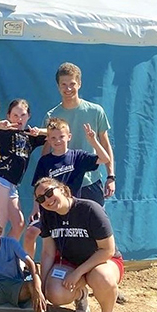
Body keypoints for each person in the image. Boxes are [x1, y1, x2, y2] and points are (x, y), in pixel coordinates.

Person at [35, 178, 124, 312]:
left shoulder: (89, 209)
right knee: (54, 293)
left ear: (62, 189)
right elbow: (48, 252)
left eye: (49, 193)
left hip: (102, 261)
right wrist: (42, 284)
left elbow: (108, 250)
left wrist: (78, 273)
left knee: (102, 278)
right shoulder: (47, 216)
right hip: (70, 263)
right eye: (41, 199)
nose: (47, 200)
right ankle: (81, 294)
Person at [23, 118, 110, 257]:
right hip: (49, 209)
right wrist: (35, 208)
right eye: (53, 138)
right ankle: (29, 268)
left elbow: (105, 159)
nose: (57, 141)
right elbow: (37, 188)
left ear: (69, 137)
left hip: (71, 210)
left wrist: (93, 141)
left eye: (61, 137)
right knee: (30, 233)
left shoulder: (78, 157)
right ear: (48, 140)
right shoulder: (45, 161)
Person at [0, 99, 46, 239]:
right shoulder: (3, 133)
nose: (19, 119)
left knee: (19, 224)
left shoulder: (30, 136)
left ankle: (7, 253)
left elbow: (56, 132)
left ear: (29, 116)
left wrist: (39, 131)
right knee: (1, 219)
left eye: (23, 115)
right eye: (15, 115)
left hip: (12, 183)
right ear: (8, 116)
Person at [45, 62, 115, 205]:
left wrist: (111, 176)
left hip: (91, 182)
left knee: (94, 226)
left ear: (79, 84)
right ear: (58, 86)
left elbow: (105, 144)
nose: (68, 88)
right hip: (62, 186)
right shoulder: (51, 115)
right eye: (63, 84)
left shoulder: (96, 111)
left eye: (72, 83)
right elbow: (46, 152)